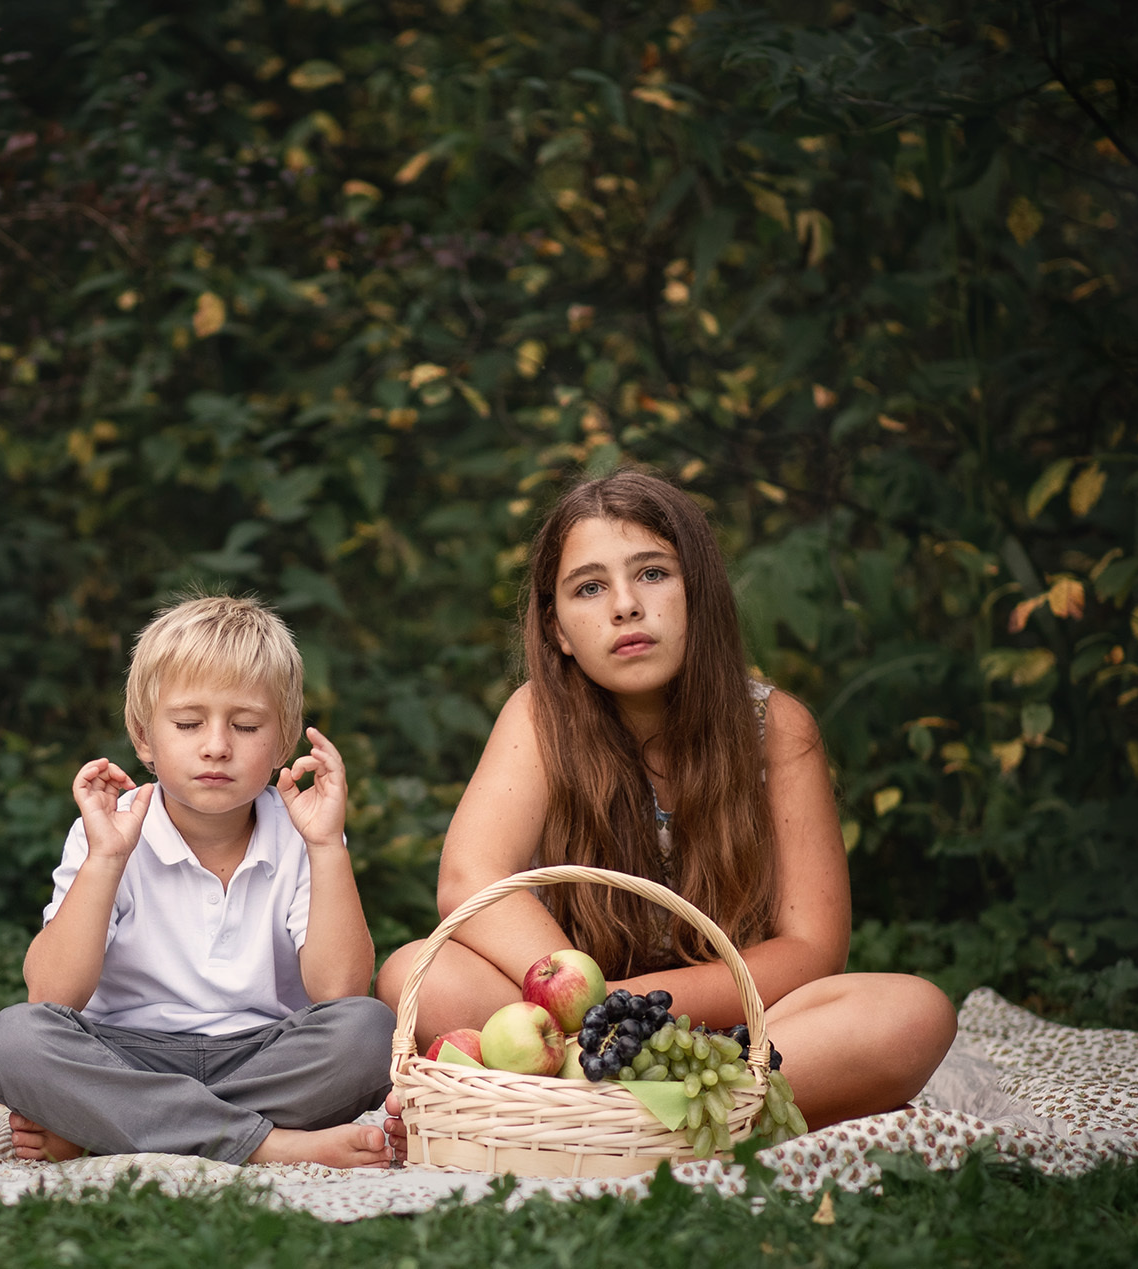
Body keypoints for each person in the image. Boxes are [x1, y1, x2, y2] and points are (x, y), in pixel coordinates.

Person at [376, 469, 956, 1129]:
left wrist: (629, 1007)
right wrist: (587, 1008)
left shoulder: (777, 727)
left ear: (698, 594)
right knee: (416, 973)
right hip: (575, 1042)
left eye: (652, 573)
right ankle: (690, 1121)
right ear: (559, 628)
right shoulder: (539, 718)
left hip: (730, 1035)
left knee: (914, 1013)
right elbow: (469, 877)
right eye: (589, 587)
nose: (624, 605)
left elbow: (812, 947)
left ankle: (611, 1120)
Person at [0, 595, 396, 1168]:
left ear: (282, 742)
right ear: (145, 739)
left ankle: (113, 1126)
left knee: (371, 1032)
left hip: (263, 1055)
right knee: (14, 1042)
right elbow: (52, 995)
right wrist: (106, 860)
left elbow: (341, 992)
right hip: (123, 1053)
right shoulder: (108, 832)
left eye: (246, 725)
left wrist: (325, 845)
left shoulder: (306, 833)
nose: (217, 745)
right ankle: (266, 1143)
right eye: (188, 723)